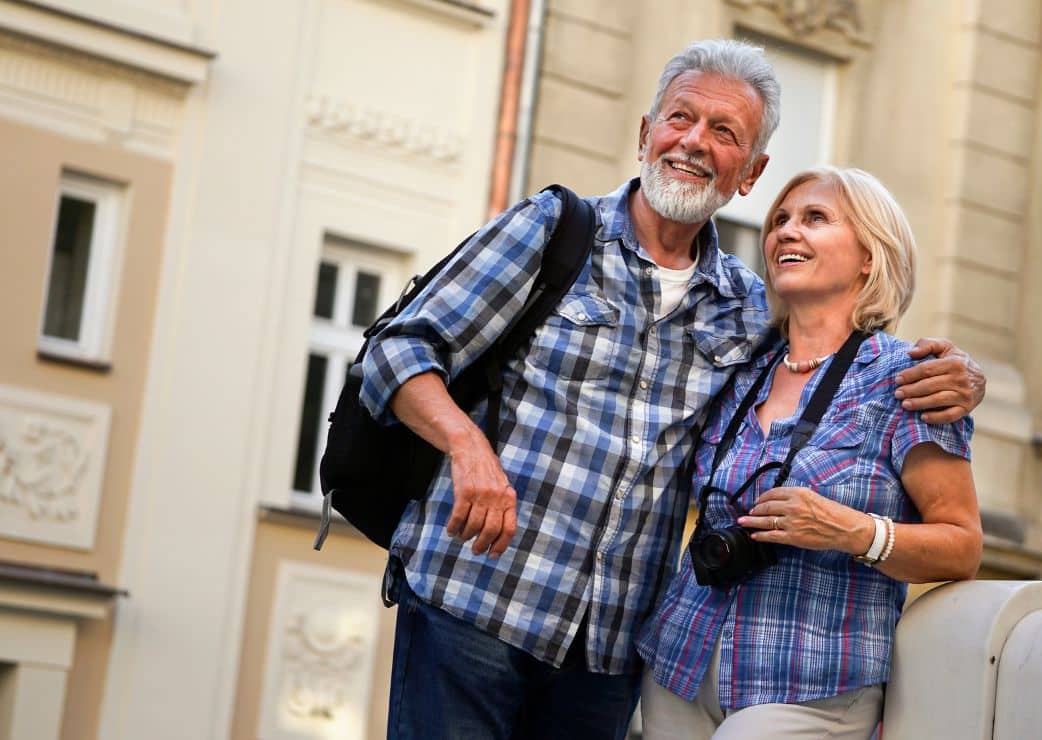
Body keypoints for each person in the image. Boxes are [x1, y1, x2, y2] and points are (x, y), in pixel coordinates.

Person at [360, 40, 985, 740]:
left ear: (749, 172)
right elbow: (397, 349)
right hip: (473, 599)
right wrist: (466, 446)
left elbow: (841, 359)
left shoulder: (748, 313)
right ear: (645, 134)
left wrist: (964, 374)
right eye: (680, 118)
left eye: (724, 133)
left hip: (605, 650)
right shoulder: (552, 232)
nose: (693, 142)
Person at [636, 166, 983, 740]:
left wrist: (849, 530)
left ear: (870, 255)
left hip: (813, 683)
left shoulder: (910, 379)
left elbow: (962, 546)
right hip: (681, 663)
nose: (786, 232)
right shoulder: (743, 365)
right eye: (780, 221)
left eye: (815, 219)